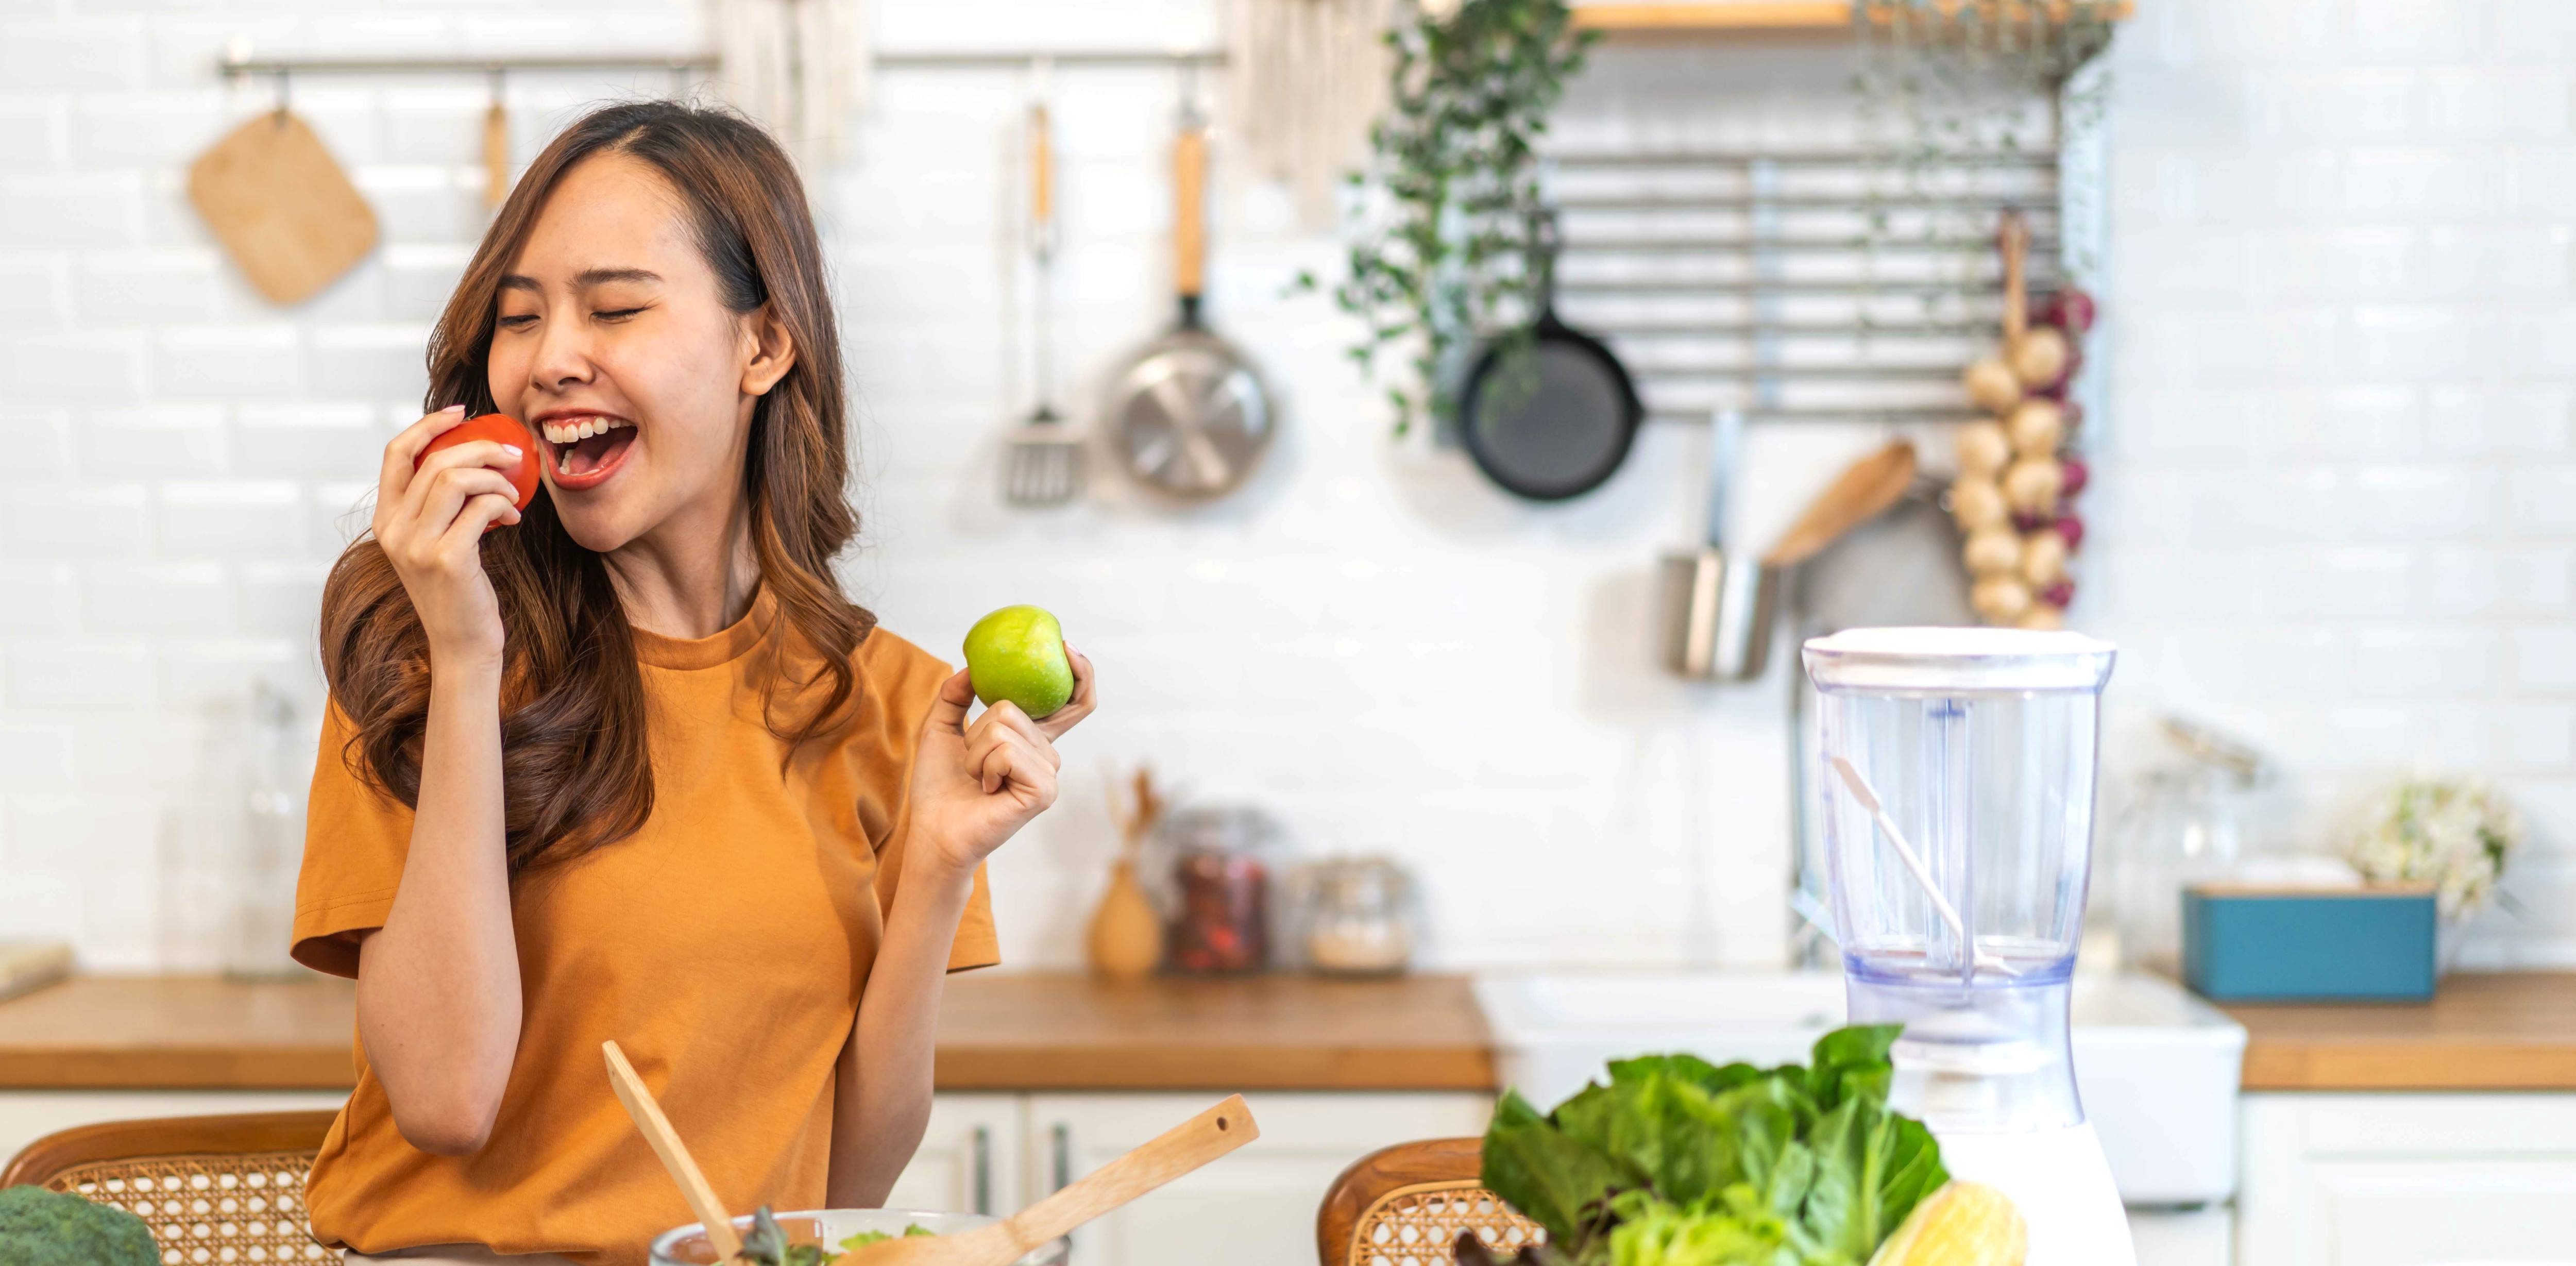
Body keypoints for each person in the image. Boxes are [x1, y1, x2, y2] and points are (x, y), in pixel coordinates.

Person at [292, 100, 1094, 1265]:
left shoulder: (894, 705)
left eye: (615, 307)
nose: (551, 358)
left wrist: (935, 865)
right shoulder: (420, 649)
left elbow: (844, 1187)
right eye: (519, 317)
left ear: (762, 346)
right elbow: (445, 1100)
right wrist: (468, 661)